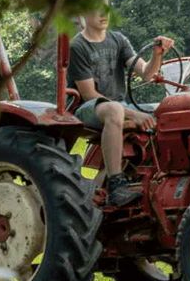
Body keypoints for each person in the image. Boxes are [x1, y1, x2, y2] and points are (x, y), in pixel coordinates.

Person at [69, 11, 174, 207]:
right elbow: (89, 94)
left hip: (119, 106)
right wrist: (134, 114)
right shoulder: (78, 46)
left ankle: (163, 172)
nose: (103, 14)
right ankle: (116, 184)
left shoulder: (118, 40)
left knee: (167, 109)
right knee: (115, 110)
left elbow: (146, 73)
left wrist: (156, 55)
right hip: (88, 109)